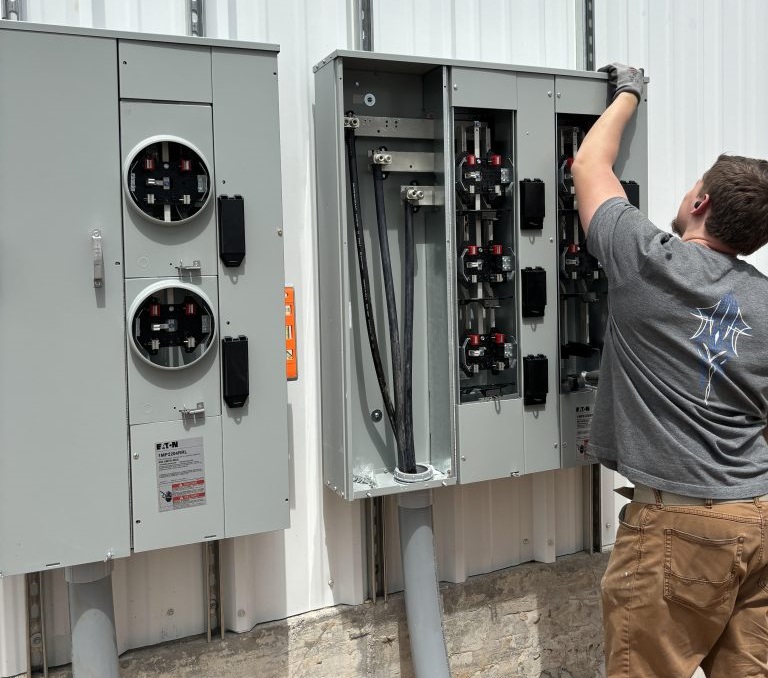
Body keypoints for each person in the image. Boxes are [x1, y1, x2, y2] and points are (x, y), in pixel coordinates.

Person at [572, 63, 768, 678]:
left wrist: (629, 90)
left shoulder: (648, 263)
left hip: (679, 529)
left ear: (701, 201)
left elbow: (589, 168)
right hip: (758, 517)